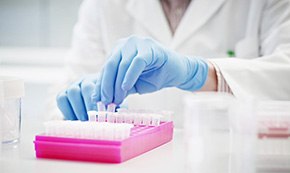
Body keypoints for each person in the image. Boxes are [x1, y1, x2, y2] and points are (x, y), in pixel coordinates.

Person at [55, 0, 290, 127]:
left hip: (230, 165)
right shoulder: (102, 5)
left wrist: (201, 73)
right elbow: (65, 93)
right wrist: (79, 103)